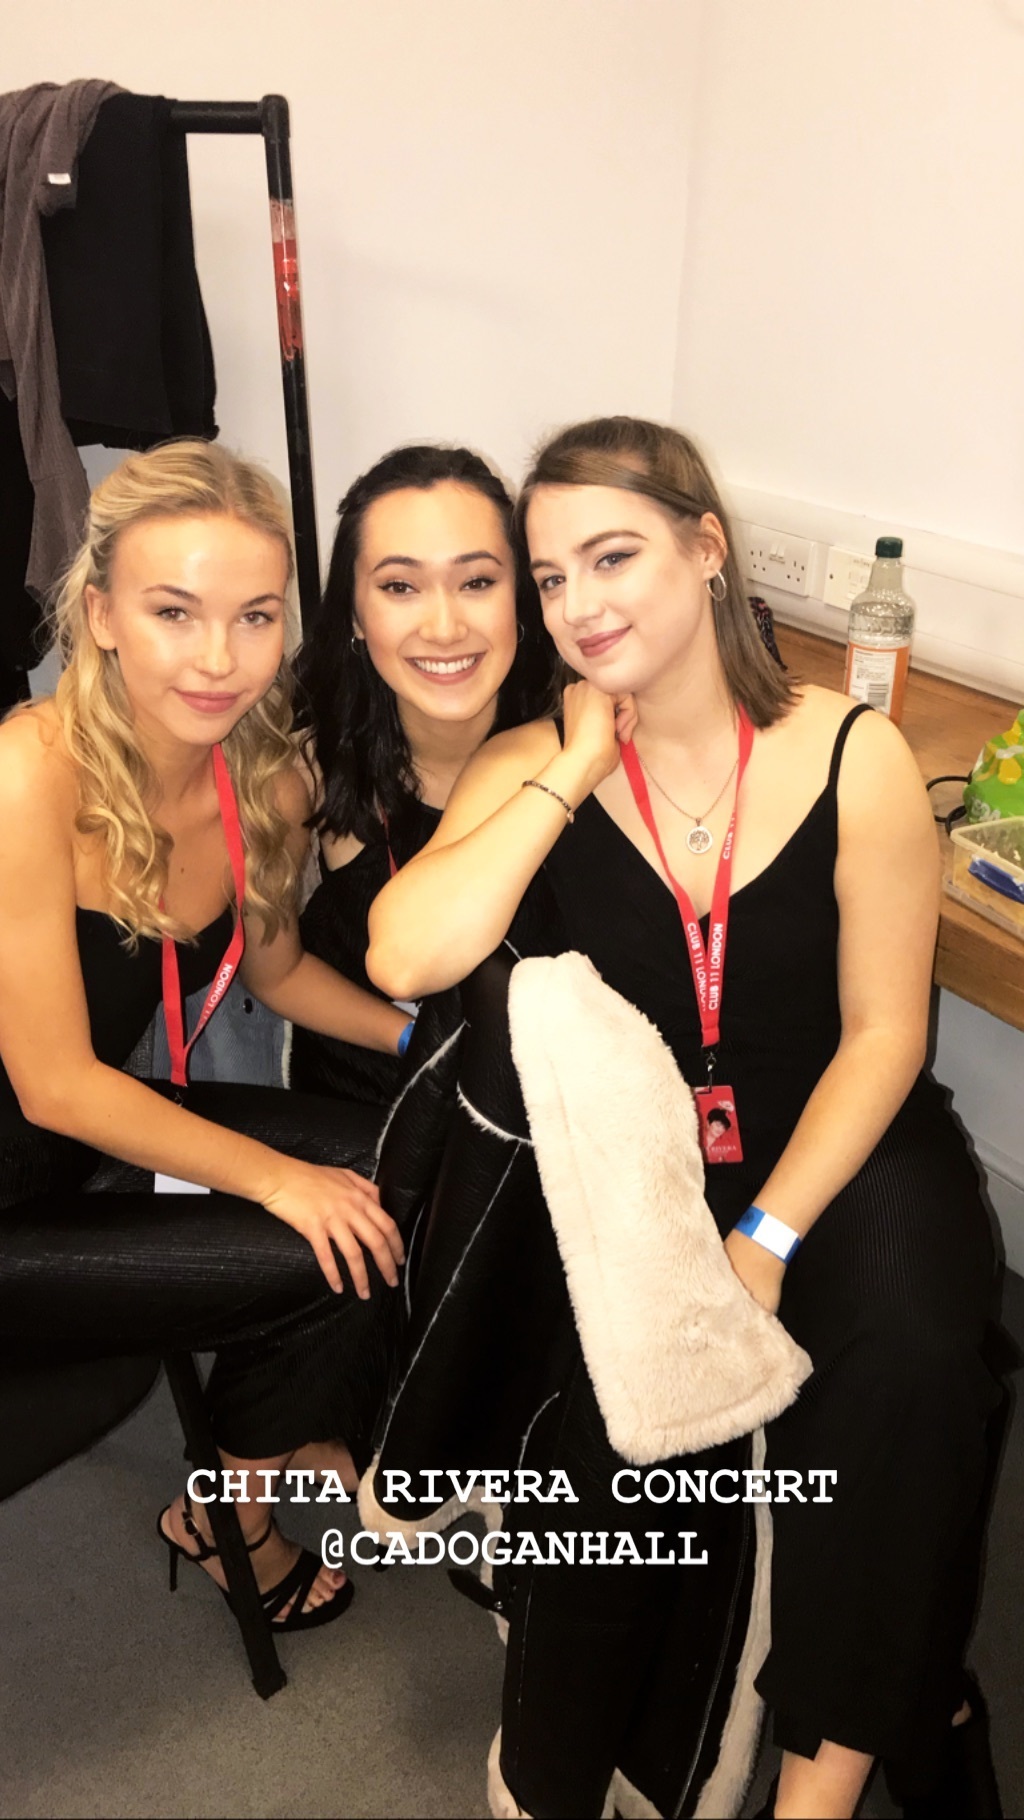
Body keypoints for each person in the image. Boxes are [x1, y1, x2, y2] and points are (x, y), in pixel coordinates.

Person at [367, 416, 1002, 1817]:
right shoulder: (534, 758)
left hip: (843, 1138)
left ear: (706, 548)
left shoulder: (850, 752)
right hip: (647, 1173)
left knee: (912, 1369)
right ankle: (660, 1742)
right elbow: (405, 954)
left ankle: (821, 1787)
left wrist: (768, 1236)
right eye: (549, 579)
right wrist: (570, 768)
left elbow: (887, 1035)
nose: (578, 606)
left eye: (613, 558)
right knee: (621, 1428)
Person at [0, 440, 411, 1631]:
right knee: (330, 1231)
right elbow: (53, 1081)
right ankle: (245, 1513)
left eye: (255, 616)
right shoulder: (29, 770)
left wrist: (425, 1043)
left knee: (399, 1166)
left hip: (83, 1154)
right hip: (29, 1158)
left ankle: (247, 1468)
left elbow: (279, 975)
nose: (220, 658)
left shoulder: (261, 780)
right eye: (174, 611)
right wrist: (278, 1178)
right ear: (102, 615)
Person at [290, 444, 558, 1105]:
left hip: (540, 1127)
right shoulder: (307, 764)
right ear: (355, 615)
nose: (443, 627)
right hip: (358, 1121)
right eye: (400, 587)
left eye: (477, 582)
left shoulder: (581, 744)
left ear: (520, 597)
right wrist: (415, 1041)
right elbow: (269, 969)